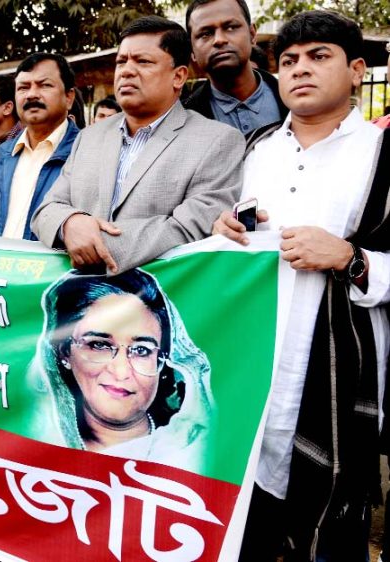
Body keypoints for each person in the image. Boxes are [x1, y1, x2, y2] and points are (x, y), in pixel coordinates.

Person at [210, 11, 389, 561]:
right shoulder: (260, 147)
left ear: (357, 70)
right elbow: (239, 230)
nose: (300, 70)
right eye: (288, 61)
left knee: (329, 529)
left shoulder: (381, 153)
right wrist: (226, 229)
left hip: (338, 371)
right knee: (249, 516)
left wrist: (350, 259)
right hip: (254, 368)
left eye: (319, 56)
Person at [31, 16, 244, 274]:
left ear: (178, 77)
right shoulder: (89, 137)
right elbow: (47, 209)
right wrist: (69, 223)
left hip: (157, 301)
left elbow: (189, 228)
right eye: (122, 61)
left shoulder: (217, 141)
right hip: (75, 299)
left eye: (143, 61)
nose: (126, 71)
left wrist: (93, 243)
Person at [36, 269, 214, 471]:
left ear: (163, 360)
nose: (121, 372)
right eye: (99, 345)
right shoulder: (30, 437)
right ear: (64, 352)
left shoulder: (197, 454)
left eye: (141, 350)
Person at [0, 53, 80, 240]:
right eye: (23, 87)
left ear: (69, 97)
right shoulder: (0, 157)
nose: (32, 94)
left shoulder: (86, 153)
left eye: (45, 85)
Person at [184, 0, 288, 135]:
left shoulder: (297, 101)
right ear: (192, 50)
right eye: (205, 34)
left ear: (252, 34)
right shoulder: (182, 123)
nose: (219, 40)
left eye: (231, 27)